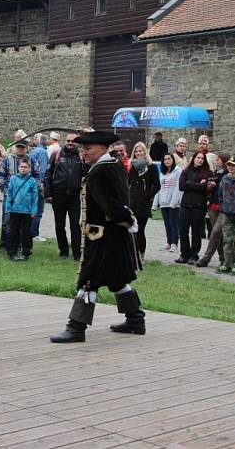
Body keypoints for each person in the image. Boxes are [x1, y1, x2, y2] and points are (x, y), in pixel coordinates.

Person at [50, 131, 144, 343]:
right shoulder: (114, 165)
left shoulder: (100, 171)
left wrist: (127, 219)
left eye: (89, 148)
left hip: (102, 236)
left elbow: (111, 206)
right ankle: (135, 320)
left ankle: (76, 328)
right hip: (115, 234)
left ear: (102, 148)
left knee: (88, 279)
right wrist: (127, 221)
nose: (85, 152)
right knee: (118, 278)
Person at [46, 133, 84, 260]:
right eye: (68, 141)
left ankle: (77, 253)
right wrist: (48, 194)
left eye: (72, 141)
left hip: (74, 196)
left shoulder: (81, 157)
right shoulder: (56, 155)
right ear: (64, 141)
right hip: (59, 195)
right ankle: (63, 251)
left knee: (75, 225)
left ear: (76, 142)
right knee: (59, 224)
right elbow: (48, 175)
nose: (70, 143)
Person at [175, 151, 213, 265]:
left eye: (202, 158)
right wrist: (197, 184)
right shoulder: (186, 171)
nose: (200, 160)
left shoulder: (207, 173)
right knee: (183, 230)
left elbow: (204, 188)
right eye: (198, 158)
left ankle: (194, 255)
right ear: (194, 159)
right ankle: (184, 254)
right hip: (185, 205)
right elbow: (181, 186)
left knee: (196, 231)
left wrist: (190, 183)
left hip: (199, 206)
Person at [196, 153, 228, 269]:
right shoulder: (213, 174)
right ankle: (223, 258)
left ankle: (206, 258)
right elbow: (208, 192)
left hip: (223, 207)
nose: (215, 161)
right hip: (213, 206)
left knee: (215, 232)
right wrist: (208, 187)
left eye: (218, 159)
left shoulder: (227, 175)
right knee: (218, 234)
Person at [128, 142, 160, 258]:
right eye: (136, 151)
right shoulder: (132, 167)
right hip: (132, 203)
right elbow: (129, 183)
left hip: (143, 204)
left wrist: (146, 197)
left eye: (140, 151)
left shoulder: (151, 167)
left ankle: (141, 254)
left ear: (145, 152)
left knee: (140, 230)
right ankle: (132, 253)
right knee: (132, 230)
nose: (138, 153)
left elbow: (157, 185)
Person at [0, 140, 30, 250]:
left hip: (25, 198)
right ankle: (4, 245)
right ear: (15, 147)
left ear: (26, 148)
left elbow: (37, 176)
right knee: (6, 220)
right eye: (18, 147)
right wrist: (5, 190)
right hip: (10, 196)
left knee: (22, 222)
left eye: (22, 147)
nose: (20, 149)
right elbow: (0, 176)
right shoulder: (7, 159)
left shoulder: (31, 160)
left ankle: (18, 244)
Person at [5, 158, 39, 262]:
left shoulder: (32, 181)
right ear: (18, 168)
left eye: (25, 167)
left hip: (27, 211)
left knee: (27, 233)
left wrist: (34, 210)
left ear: (29, 168)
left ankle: (26, 252)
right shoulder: (13, 179)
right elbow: (9, 194)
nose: (23, 169)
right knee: (13, 231)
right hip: (15, 210)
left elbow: (35, 197)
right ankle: (12, 252)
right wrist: (8, 208)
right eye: (21, 167)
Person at [154, 153, 182, 252]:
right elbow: (159, 188)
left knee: (173, 223)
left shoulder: (178, 171)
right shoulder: (162, 172)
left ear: (173, 160)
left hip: (173, 202)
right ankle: (169, 242)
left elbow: (178, 187)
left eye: (169, 159)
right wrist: (155, 204)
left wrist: (173, 202)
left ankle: (174, 243)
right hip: (163, 202)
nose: (167, 161)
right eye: (165, 159)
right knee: (167, 224)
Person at [28, 135, 49, 242]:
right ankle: (34, 234)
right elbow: (42, 170)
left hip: (32, 182)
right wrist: (42, 185)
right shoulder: (42, 152)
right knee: (38, 210)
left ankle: (30, 232)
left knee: (33, 209)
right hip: (38, 184)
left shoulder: (34, 150)